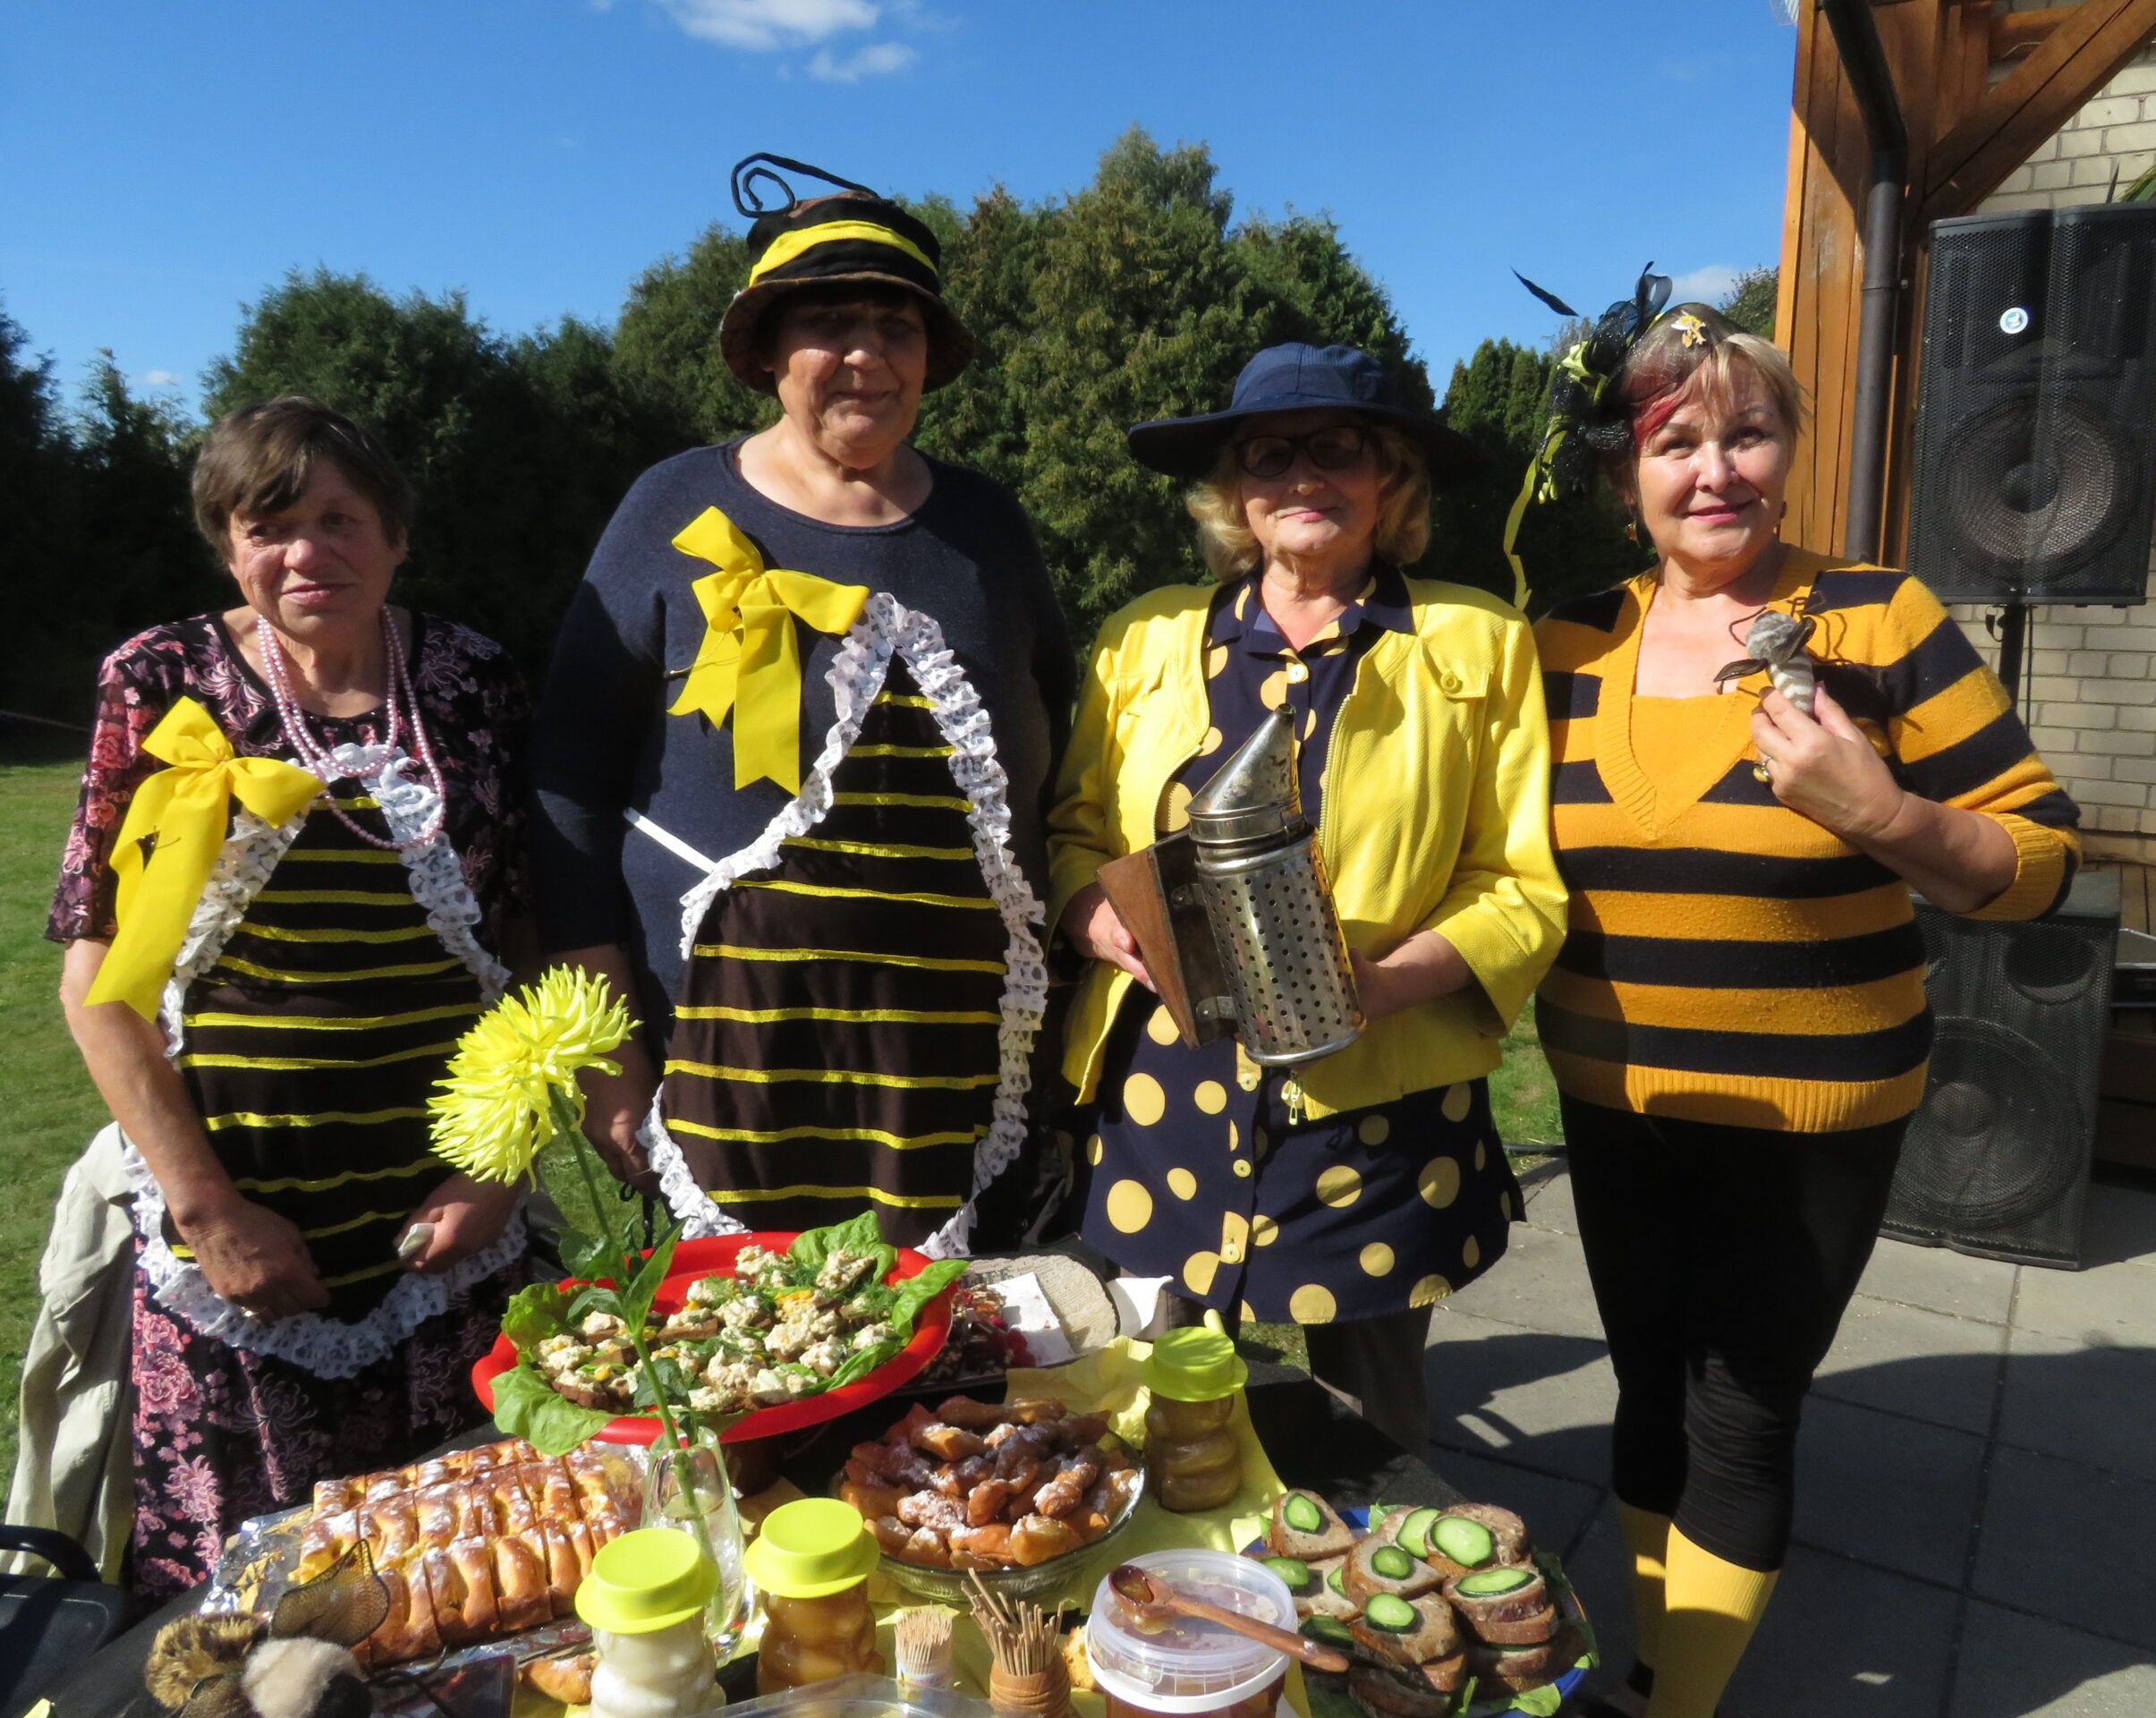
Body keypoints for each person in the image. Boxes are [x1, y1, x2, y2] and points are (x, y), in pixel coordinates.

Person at [1522, 289, 2081, 1718]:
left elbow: (2040, 862)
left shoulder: (1877, 617)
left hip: (1812, 1112)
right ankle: (1653, 1657)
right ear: (1625, 476)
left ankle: (1675, 1702)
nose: (1716, 471)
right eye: (1676, 443)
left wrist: (1885, 814)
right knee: (1648, 1382)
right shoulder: (1563, 642)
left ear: (1791, 449)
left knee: (1741, 1412)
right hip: (1618, 1099)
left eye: (1750, 434)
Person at [529, 155, 1073, 1257]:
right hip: (724, 1062)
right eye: (828, 322)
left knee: (955, 1353)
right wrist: (608, 1053)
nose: (866, 353)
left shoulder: (986, 529)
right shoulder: (672, 507)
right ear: (769, 352)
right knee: (751, 1348)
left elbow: (1055, 765)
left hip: (951, 1067)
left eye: (896, 326)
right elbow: (567, 789)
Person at [51, 396, 531, 1603]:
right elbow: (96, 977)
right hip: (238, 1262)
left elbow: (536, 955)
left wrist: (499, 1172)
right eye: (268, 526)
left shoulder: (473, 680)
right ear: (228, 547)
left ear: (396, 535)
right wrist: (209, 1211)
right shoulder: (160, 681)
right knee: (255, 1614)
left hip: (452, 1247)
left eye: (339, 518)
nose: (307, 553)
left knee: (480, 1584)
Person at [1049, 344, 1569, 1453]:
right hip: (1163, 1091)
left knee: (1368, 1428)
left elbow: (1519, 883)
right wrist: (1093, 915)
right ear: (1233, 489)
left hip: (1374, 1099)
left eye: (1337, 449)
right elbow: (1075, 830)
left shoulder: (1476, 639)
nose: (1302, 477)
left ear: (1391, 477)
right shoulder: (1144, 635)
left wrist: (1382, 984)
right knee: (1151, 1403)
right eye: (1268, 455)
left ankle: (1370, 1566)